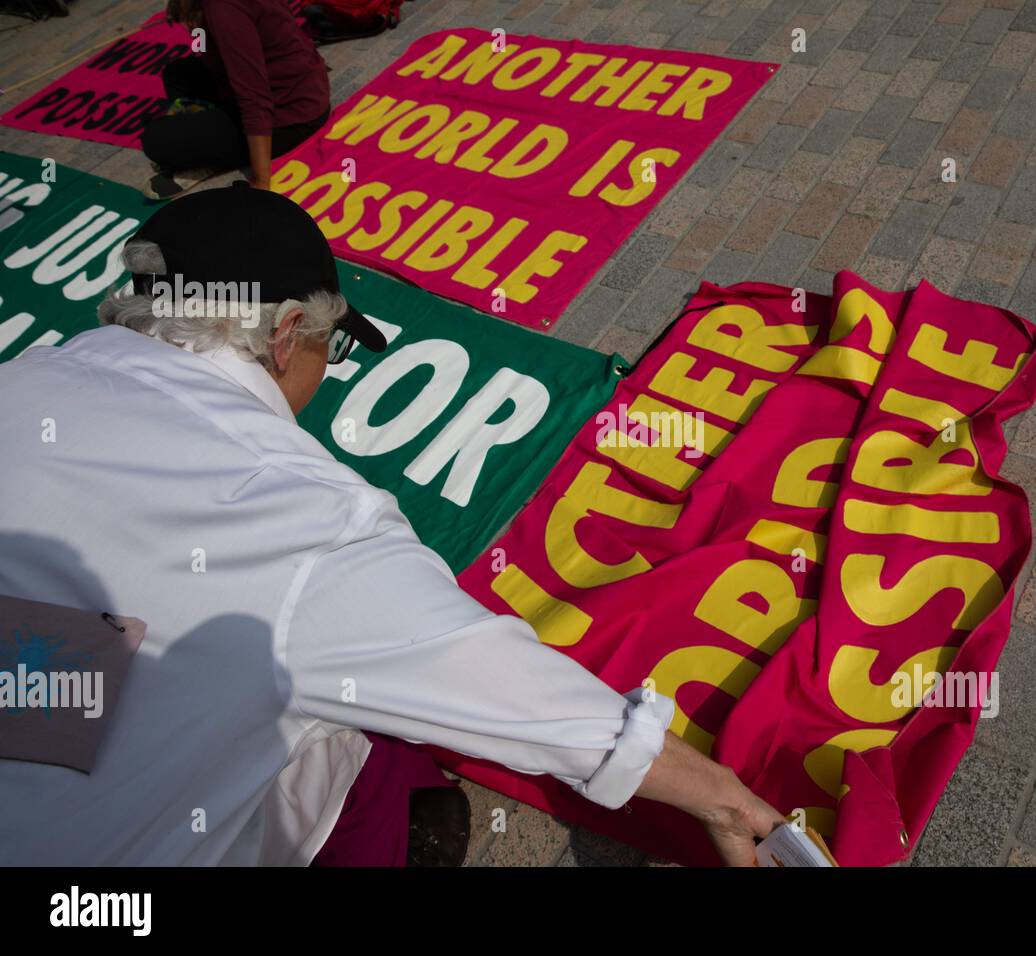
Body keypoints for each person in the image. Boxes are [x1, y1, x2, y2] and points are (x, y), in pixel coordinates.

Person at [0, 184, 785, 866]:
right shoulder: (301, 513)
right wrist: (719, 797)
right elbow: (509, 690)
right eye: (332, 345)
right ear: (284, 334)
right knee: (350, 736)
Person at [140, 0, 330, 198]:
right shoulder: (215, 10)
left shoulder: (223, 8)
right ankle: (210, 142)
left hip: (290, 115)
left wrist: (260, 182)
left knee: (156, 140)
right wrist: (196, 22)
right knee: (177, 74)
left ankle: (210, 156)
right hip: (305, 88)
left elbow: (255, 97)